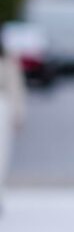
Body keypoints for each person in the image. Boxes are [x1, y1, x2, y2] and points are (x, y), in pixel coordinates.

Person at [0, 35, 27, 215]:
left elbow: (15, 86)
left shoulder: (7, 57)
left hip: (2, 106)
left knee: (2, 154)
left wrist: (18, 113)